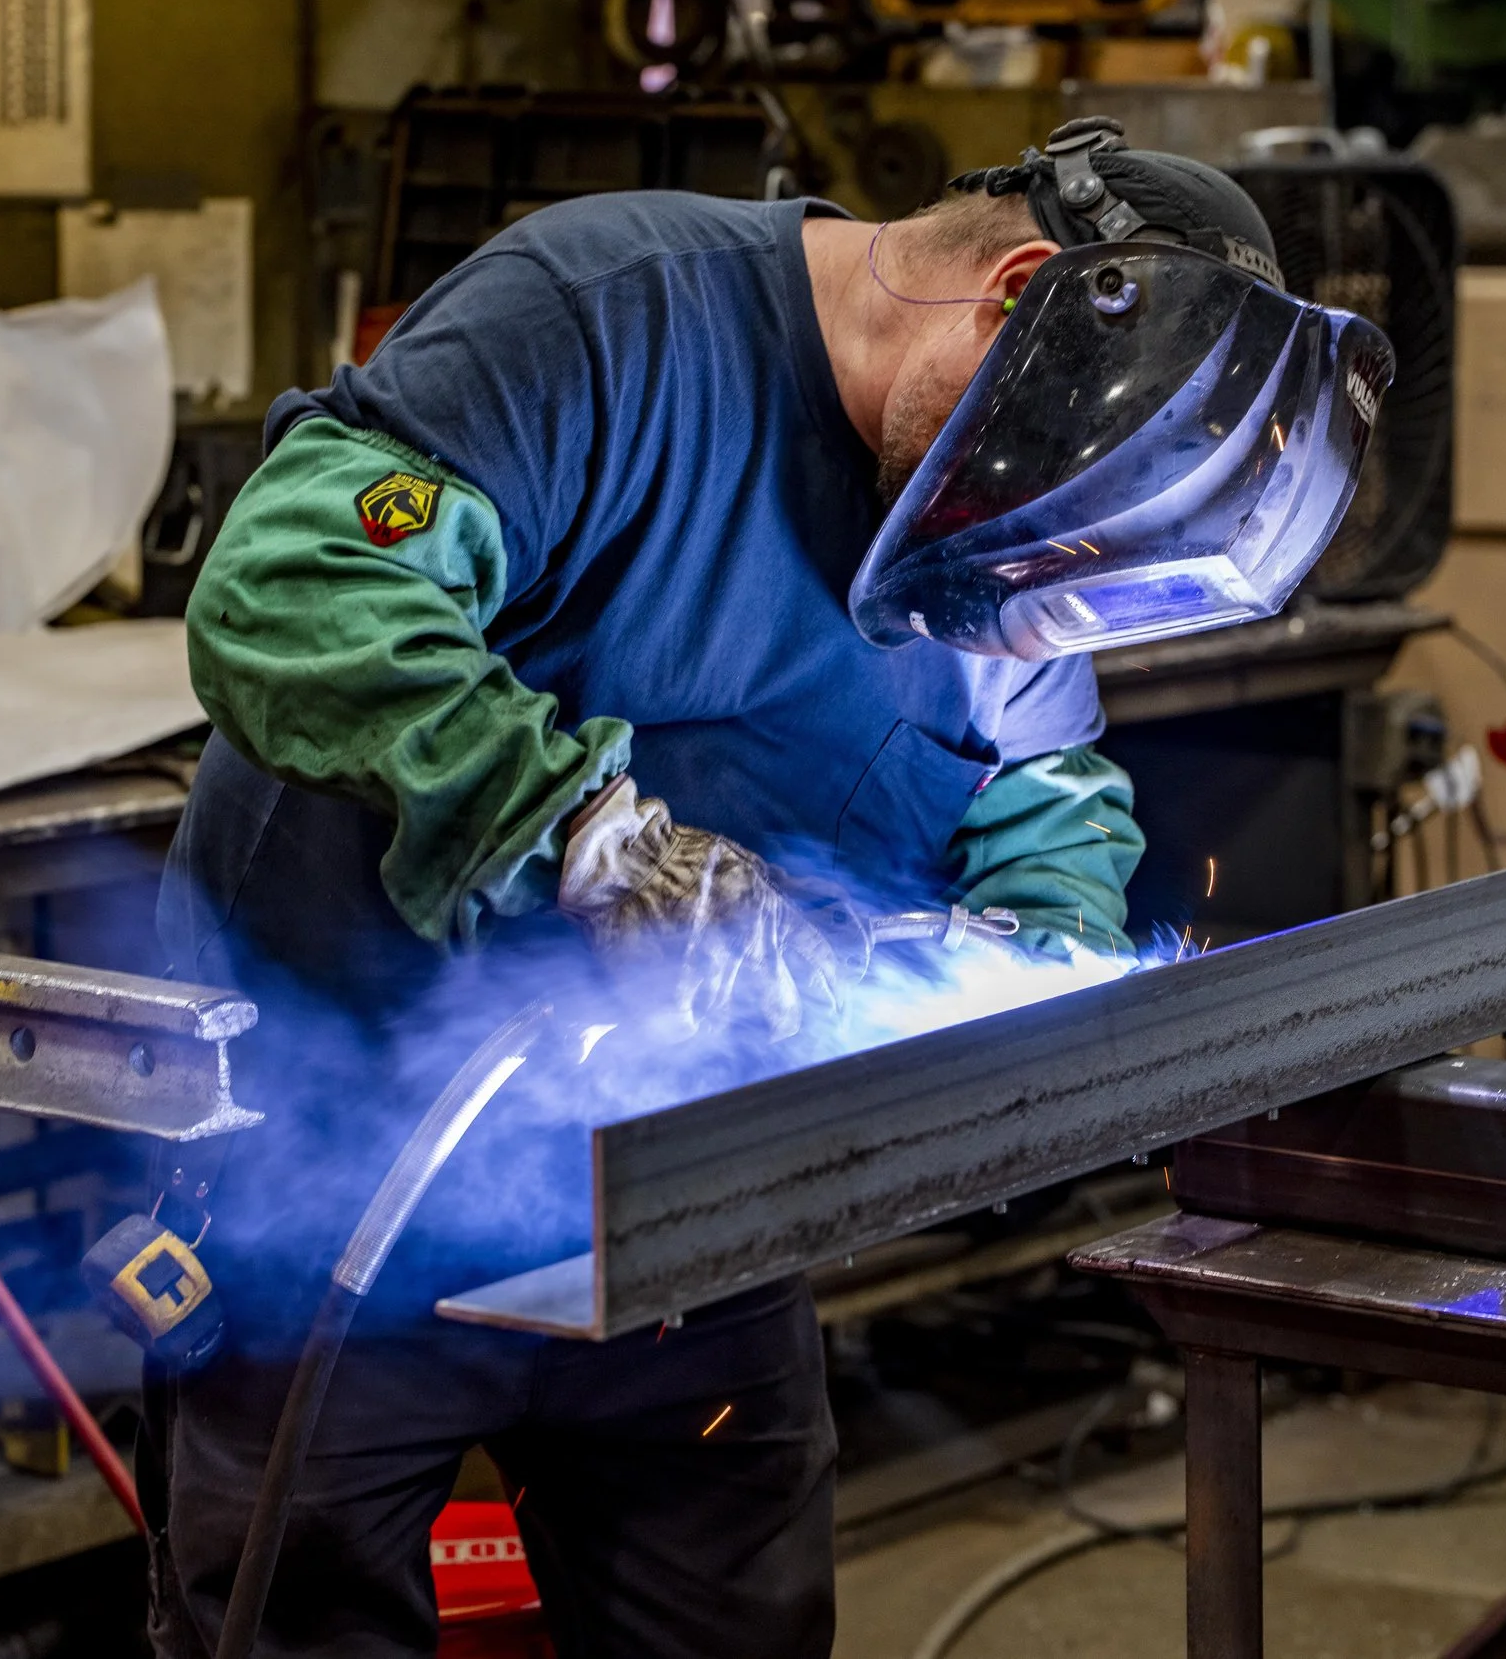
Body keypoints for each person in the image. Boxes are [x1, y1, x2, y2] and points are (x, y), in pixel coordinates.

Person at [145, 116, 1386, 1658]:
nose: (1019, 592)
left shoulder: (999, 548)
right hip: (348, 1170)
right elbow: (299, 583)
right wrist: (587, 843)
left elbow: (1045, 790)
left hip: (696, 1194)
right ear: (1010, 302)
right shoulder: (611, 314)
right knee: (302, 1625)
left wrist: (1016, 994)